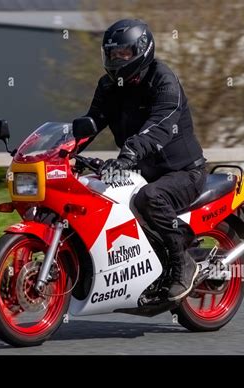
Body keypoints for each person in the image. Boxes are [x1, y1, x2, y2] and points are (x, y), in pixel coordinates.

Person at [82, 18, 207, 301]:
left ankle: (182, 265)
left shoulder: (163, 80)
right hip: (139, 171)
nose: (116, 60)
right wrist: (59, 146)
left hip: (184, 172)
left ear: (142, 50)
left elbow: (159, 126)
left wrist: (128, 154)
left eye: (123, 53)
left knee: (149, 198)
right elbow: (91, 122)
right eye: (112, 54)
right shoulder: (108, 86)